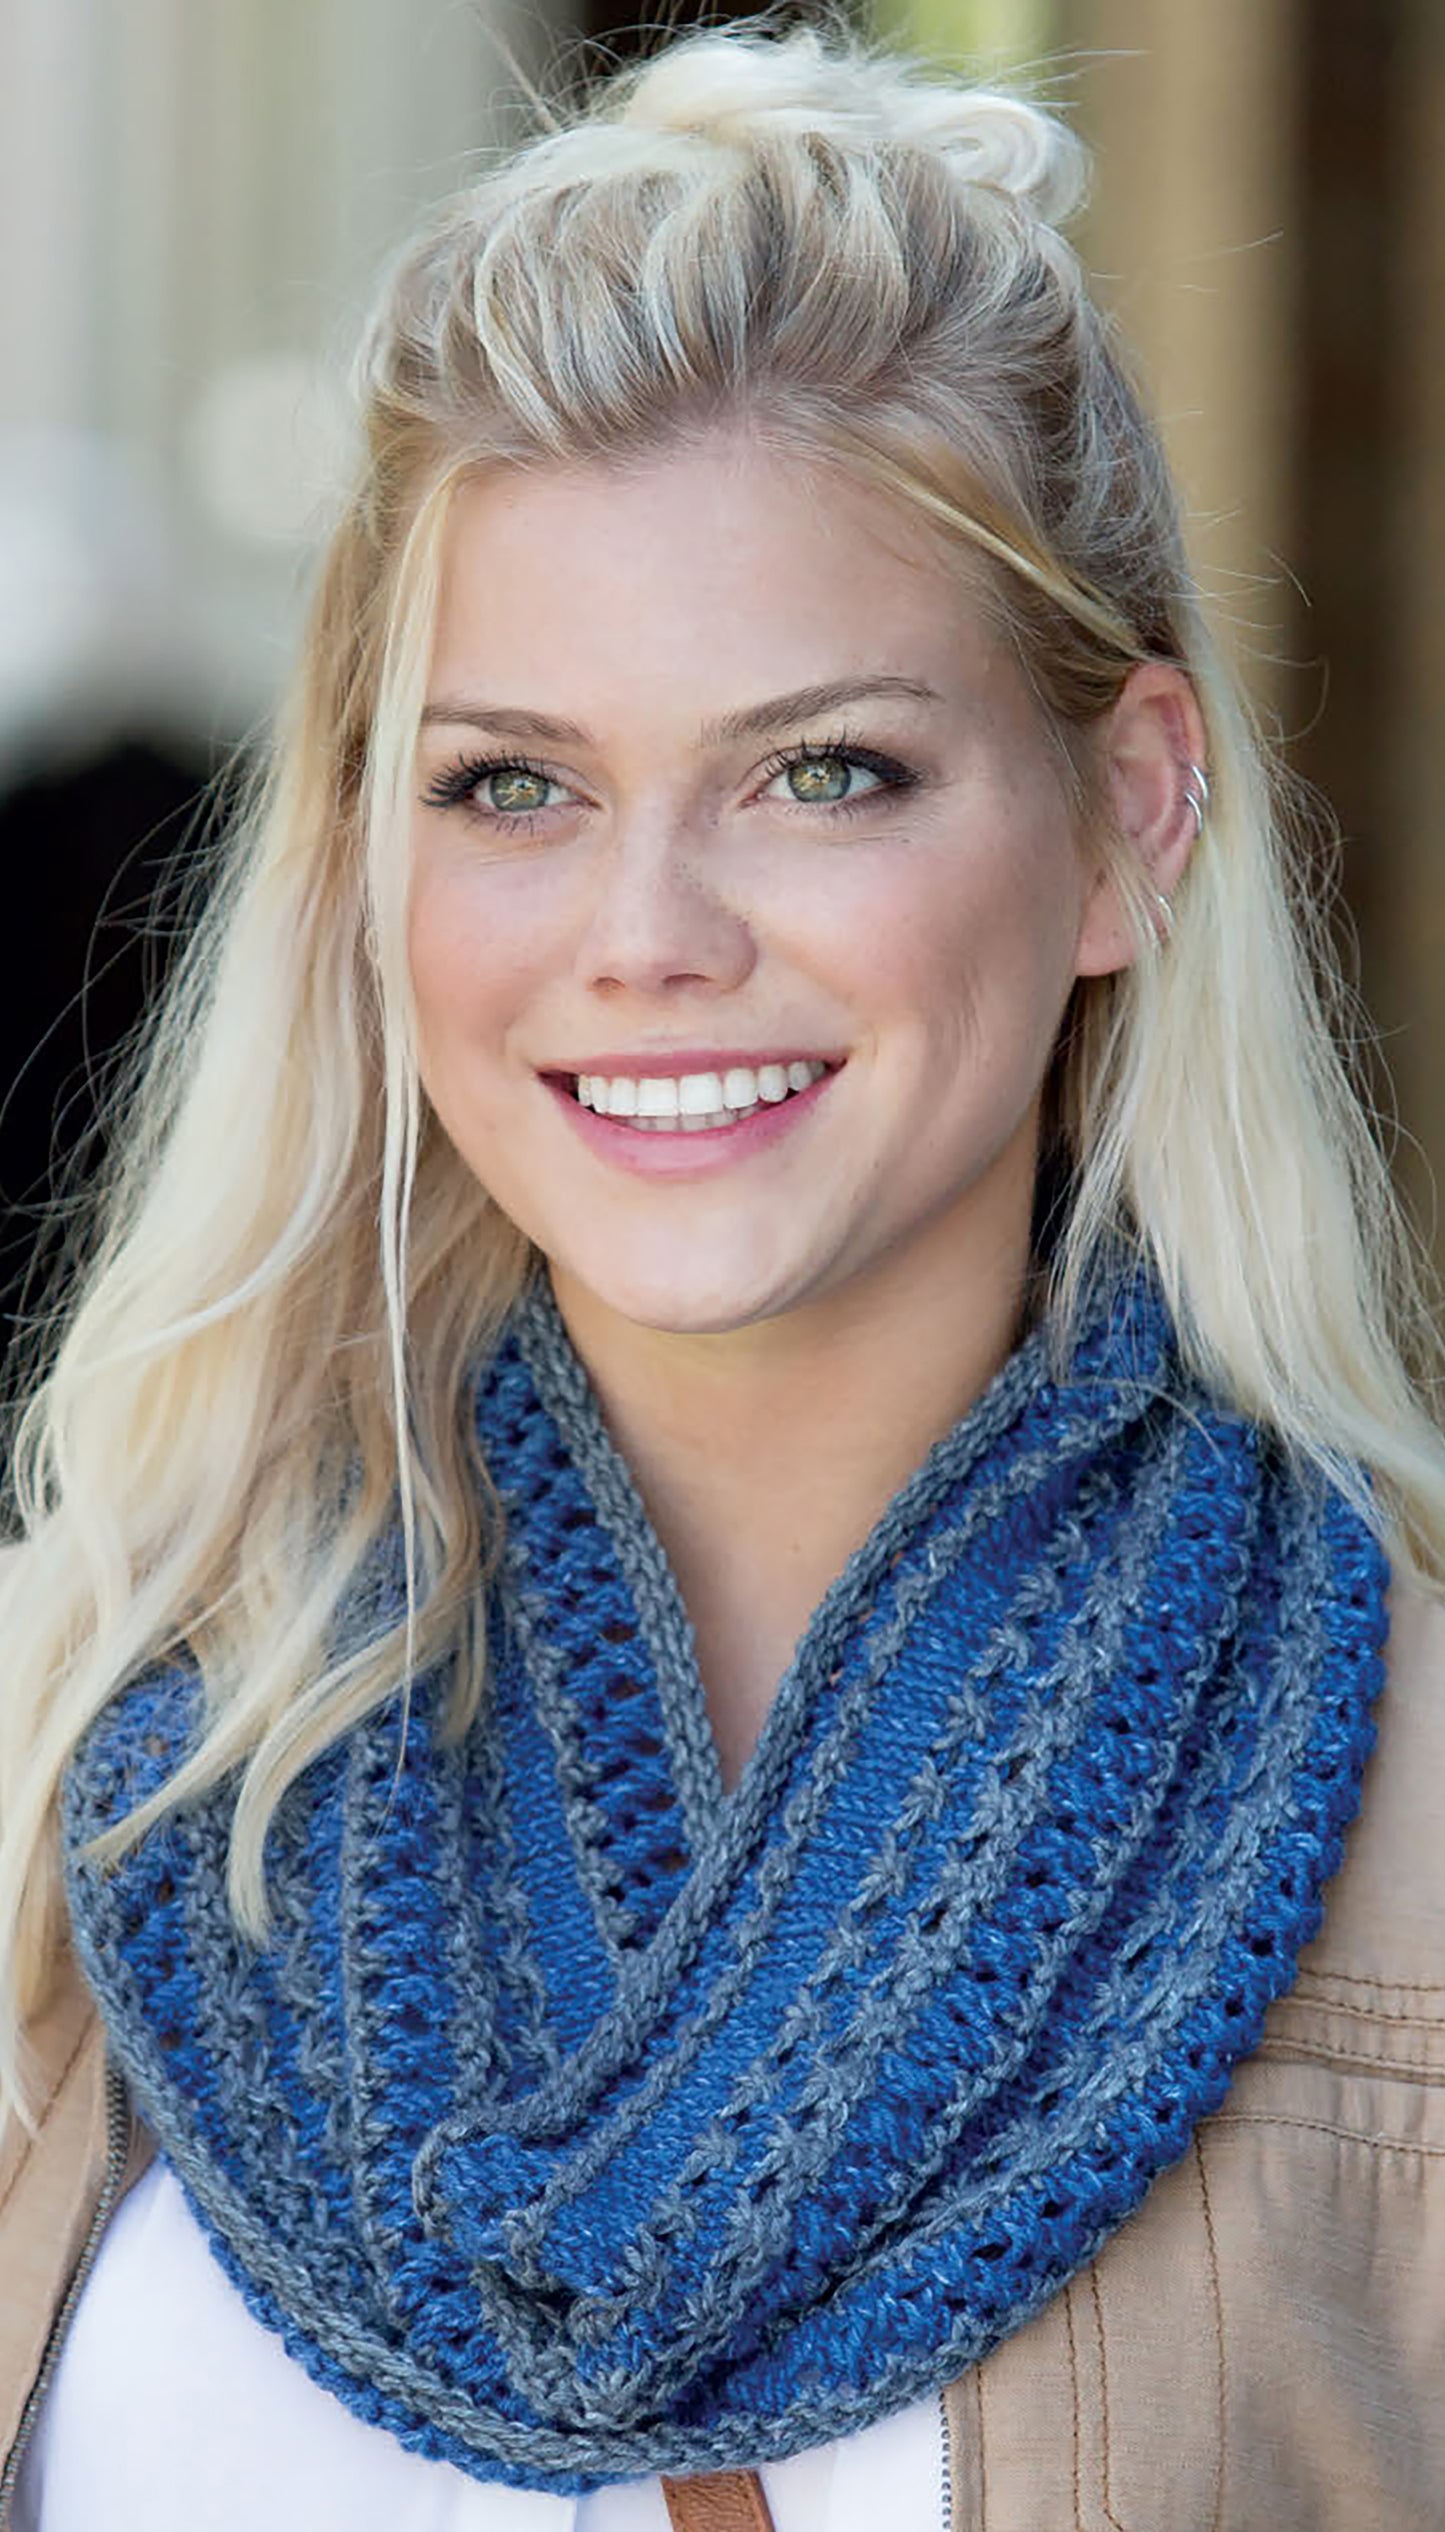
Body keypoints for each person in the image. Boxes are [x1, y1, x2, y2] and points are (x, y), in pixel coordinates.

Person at [3, 20, 1444, 2529]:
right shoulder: (61, 1778)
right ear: (369, 864)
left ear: (1129, 819)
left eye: (824, 771)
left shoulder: (1413, 1849)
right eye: (515, 786)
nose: (646, 939)